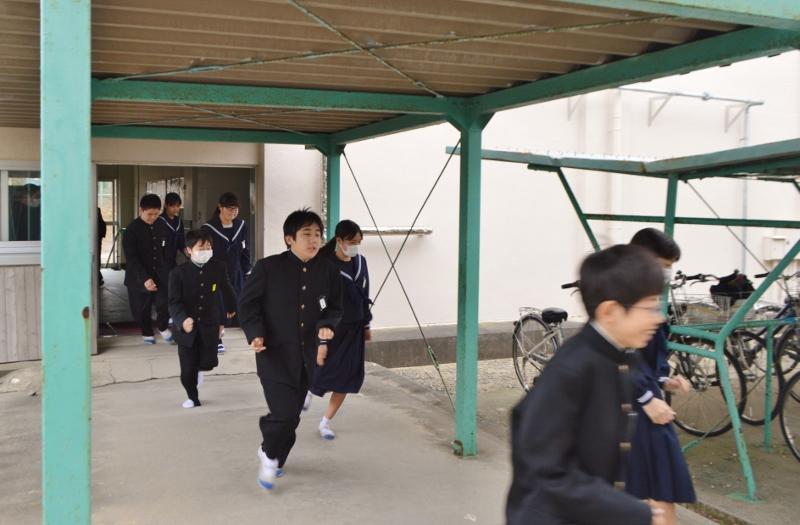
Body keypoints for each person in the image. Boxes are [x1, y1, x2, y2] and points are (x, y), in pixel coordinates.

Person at [506, 244, 667, 525]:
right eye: (650, 307)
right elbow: (547, 472)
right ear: (610, 311)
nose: (659, 318)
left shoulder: (618, 356)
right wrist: (632, 512)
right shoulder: (572, 369)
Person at [238, 209, 343, 491]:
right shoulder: (268, 268)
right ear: (289, 239)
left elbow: (334, 307)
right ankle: (269, 456)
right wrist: (255, 333)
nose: (314, 240)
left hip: (307, 358)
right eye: (307, 234)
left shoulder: (328, 271)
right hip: (273, 355)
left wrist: (327, 325)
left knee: (292, 417)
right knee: (284, 414)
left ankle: (272, 453)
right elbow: (247, 305)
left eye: (318, 234)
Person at [627, 228, 696, 524]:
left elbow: (643, 358)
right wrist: (646, 397)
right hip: (635, 408)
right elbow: (616, 353)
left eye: (670, 267)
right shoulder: (624, 297)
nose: (667, 273)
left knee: (656, 491)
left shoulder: (646, 295)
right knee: (658, 493)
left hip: (646, 406)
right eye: (663, 265)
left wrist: (664, 380)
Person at [309, 220, 372, 440]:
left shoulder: (361, 262)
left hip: (355, 329)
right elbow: (320, 301)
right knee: (323, 370)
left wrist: (366, 324)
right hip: (332, 329)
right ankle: (308, 391)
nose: (355, 246)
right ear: (339, 240)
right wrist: (322, 336)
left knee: (348, 376)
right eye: (351, 242)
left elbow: (365, 294)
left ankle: (325, 422)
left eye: (358, 242)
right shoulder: (326, 266)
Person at [168, 229, 236, 408]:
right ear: (189, 250)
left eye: (208, 247)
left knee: (208, 362)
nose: (206, 251)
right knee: (187, 369)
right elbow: (174, 302)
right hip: (186, 327)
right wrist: (182, 320)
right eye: (201, 247)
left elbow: (226, 289)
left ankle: (199, 370)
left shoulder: (218, 267)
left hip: (209, 323)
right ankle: (192, 397)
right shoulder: (178, 273)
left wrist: (230, 310)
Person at [202, 192, 251, 354]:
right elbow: (204, 252)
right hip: (216, 274)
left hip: (236, 272)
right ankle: (217, 338)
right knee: (217, 305)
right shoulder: (208, 228)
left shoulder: (241, 226)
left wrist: (247, 270)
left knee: (239, 302)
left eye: (235, 208)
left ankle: (246, 330)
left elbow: (245, 249)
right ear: (220, 207)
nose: (233, 212)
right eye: (229, 208)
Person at [123, 194, 172, 345]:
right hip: (138, 275)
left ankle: (162, 326)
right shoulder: (131, 230)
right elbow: (132, 258)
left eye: (156, 214)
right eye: (149, 214)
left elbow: (165, 251)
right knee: (141, 307)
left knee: (164, 302)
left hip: (160, 273)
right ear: (141, 211)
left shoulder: (161, 224)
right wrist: (145, 278)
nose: (153, 217)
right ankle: (146, 331)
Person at [159, 192, 188, 271]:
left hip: (174, 259)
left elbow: (181, 241)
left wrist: (186, 251)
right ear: (166, 205)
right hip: (162, 259)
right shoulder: (159, 221)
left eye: (178, 206)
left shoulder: (179, 222)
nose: (175, 209)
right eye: (172, 206)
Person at [97, 207, 107, 286]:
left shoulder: (95, 211)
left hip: (96, 240)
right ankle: (98, 278)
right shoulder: (97, 211)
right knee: (97, 259)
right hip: (97, 240)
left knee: (96, 259)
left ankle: (98, 278)